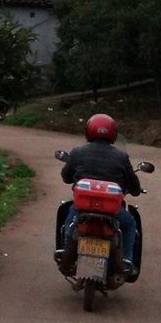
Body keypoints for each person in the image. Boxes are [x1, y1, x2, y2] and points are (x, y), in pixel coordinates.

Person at [59, 113, 141, 273]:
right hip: (112, 212)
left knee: (69, 223)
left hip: (82, 209)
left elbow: (66, 177)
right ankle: (126, 261)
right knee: (130, 225)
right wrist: (135, 189)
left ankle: (65, 253)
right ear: (113, 133)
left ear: (88, 131)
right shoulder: (121, 157)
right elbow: (133, 186)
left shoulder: (77, 152)